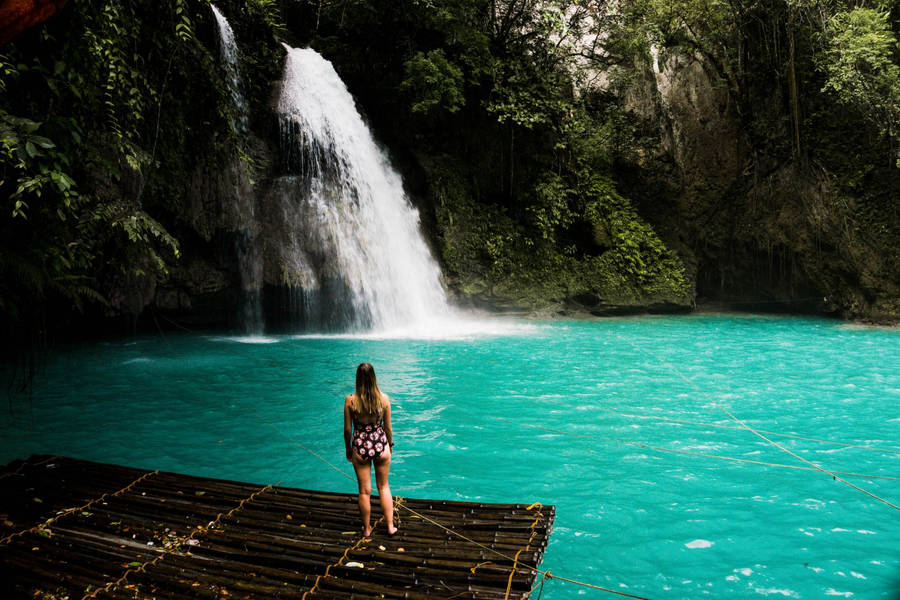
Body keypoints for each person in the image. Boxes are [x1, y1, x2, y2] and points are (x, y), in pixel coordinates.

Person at [344, 362, 397, 537]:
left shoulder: (350, 400)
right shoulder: (384, 399)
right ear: (374, 377)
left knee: (364, 491)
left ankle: (367, 529)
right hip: (380, 444)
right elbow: (388, 428)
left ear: (358, 379)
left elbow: (347, 430)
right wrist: (390, 444)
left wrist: (348, 449)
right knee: (383, 487)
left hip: (360, 445)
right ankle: (390, 526)